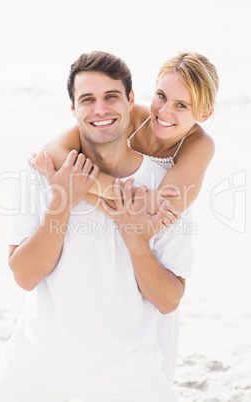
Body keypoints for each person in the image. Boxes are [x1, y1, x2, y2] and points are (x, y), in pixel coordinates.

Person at [0, 51, 194, 402]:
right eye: (87, 100)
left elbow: (169, 300)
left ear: (130, 101)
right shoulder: (40, 172)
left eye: (111, 96)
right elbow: (24, 276)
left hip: (132, 382)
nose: (100, 109)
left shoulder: (164, 189)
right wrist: (60, 206)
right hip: (34, 374)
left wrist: (137, 242)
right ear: (73, 109)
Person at [30, 51, 219, 381]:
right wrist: (100, 189)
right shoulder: (132, 116)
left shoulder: (199, 145)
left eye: (182, 106)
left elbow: (157, 210)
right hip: (104, 251)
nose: (165, 111)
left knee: (148, 363)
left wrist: (74, 187)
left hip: (153, 253)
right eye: (162, 96)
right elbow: (52, 153)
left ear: (204, 112)